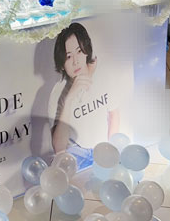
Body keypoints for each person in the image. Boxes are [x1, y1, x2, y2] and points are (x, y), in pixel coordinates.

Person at [49, 22, 120, 168]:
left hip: (102, 148)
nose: (76, 62)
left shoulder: (102, 75)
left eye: (79, 51)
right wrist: (69, 99)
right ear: (62, 64)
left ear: (87, 51)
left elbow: (114, 115)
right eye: (69, 56)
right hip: (75, 155)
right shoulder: (58, 91)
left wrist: (111, 150)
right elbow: (59, 148)